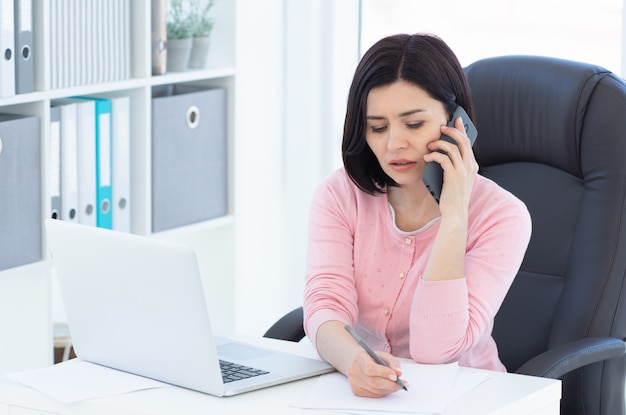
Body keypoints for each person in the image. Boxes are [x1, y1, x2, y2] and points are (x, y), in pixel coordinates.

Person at [302, 33, 532, 398]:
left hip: (468, 398)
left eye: (413, 124)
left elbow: (436, 350)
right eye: (378, 127)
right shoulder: (339, 195)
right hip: (364, 398)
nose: (394, 144)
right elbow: (325, 304)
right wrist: (352, 362)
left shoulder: (503, 217)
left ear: (456, 123)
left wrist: (454, 218)